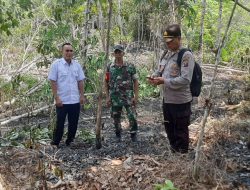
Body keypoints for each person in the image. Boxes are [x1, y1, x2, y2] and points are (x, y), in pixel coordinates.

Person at [148, 24, 194, 153]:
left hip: (180, 101)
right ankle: (174, 153)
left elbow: (185, 79)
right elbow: (160, 70)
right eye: (166, 42)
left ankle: (182, 157)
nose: (168, 45)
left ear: (179, 39)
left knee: (181, 130)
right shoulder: (166, 54)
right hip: (167, 100)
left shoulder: (186, 55)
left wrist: (164, 81)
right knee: (169, 128)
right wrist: (155, 77)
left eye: (171, 42)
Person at [48, 42, 86, 147]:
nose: (69, 53)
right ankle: (56, 142)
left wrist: (82, 95)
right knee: (60, 122)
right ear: (62, 51)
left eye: (71, 50)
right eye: (67, 50)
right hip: (62, 100)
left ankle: (70, 141)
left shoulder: (77, 65)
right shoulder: (56, 65)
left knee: (73, 123)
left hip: (74, 100)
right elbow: (53, 81)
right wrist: (57, 98)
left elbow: (80, 81)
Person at [105, 45, 139, 142]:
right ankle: (118, 134)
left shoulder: (130, 66)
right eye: (116, 52)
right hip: (114, 97)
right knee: (115, 117)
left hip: (128, 97)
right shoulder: (109, 67)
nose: (118, 54)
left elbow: (136, 81)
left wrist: (136, 97)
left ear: (123, 53)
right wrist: (107, 97)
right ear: (113, 54)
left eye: (119, 52)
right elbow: (106, 82)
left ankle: (133, 134)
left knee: (132, 115)